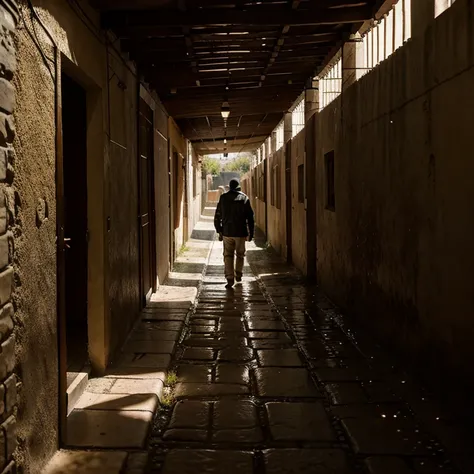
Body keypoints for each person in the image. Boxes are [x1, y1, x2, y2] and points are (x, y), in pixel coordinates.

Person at [214, 178, 255, 288]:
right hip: (241, 232)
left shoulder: (223, 198)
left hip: (227, 232)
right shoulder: (244, 198)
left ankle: (230, 278)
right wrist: (251, 232)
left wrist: (219, 230)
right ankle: (239, 274)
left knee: (228, 255)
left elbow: (217, 216)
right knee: (240, 255)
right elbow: (250, 217)